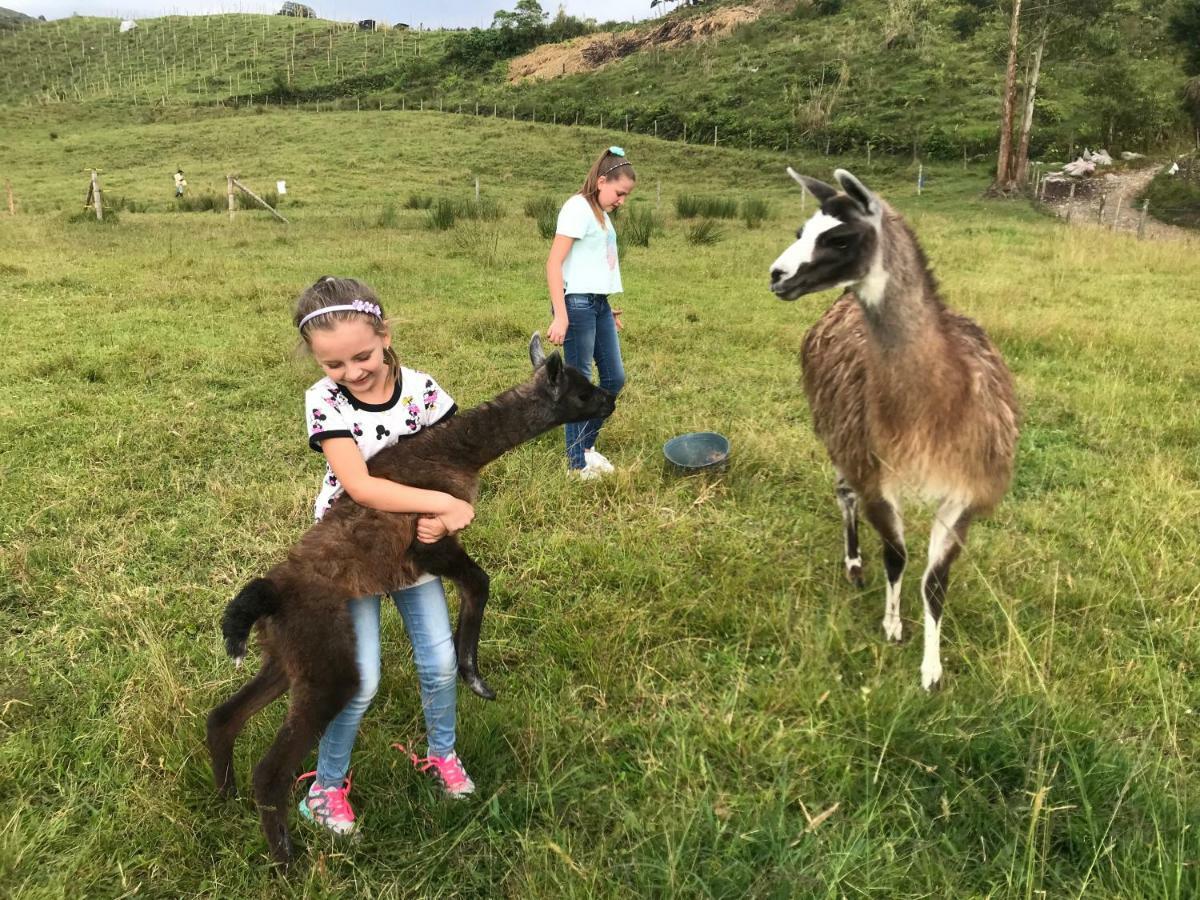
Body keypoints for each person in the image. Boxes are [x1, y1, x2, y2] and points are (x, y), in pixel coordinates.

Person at [292, 275, 477, 838]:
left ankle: (441, 754)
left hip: (415, 551)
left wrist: (449, 511)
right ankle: (325, 788)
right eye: (333, 364)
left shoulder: (423, 392)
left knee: (440, 663)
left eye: (363, 355)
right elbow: (362, 486)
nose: (352, 373)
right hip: (350, 555)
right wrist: (443, 503)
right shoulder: (323, 402)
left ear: (385, 333)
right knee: (359, 679)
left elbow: (459, 464)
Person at [545, 146, 634, 479]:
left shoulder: (600, 214)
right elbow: (554, 263)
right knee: (579, 383)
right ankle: (576, 465)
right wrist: (561, 315)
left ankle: (585, 446)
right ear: (601, 180)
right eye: (619, 192)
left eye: (626, 195)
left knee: (614, 377)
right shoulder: (577, 208)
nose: (622, 200)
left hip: (597, 304)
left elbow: (591, 264)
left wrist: (606, 308)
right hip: (577, 305)